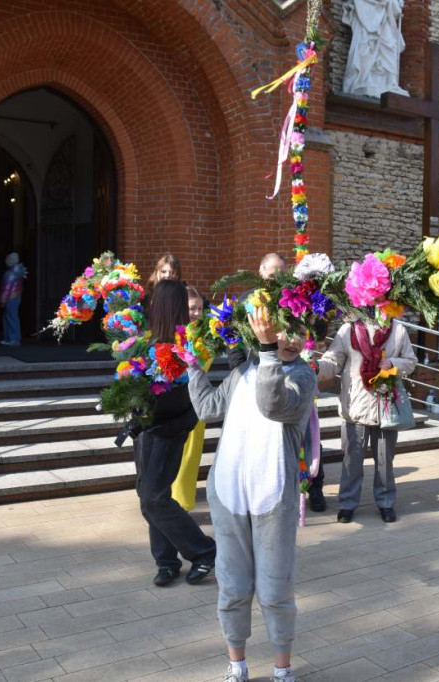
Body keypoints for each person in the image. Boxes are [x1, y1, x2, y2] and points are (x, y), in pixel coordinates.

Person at [188, 306, 317, 682]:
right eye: (283, 331)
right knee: (232, 585)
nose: (290, 341)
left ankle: (282, 669)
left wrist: (265, 353)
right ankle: (237, 664)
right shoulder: (243, 370)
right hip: (229, 493)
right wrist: (193, 367)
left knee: (276, 589)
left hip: (272, 497)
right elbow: (208, 408)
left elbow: (273, 404)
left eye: (298, 333)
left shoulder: (304, 376)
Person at [134, 279, 216, 587]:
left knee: (155, 498)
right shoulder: (151, 342)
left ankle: (204, 551)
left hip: (168, 430)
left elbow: (184, 395)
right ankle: (166, 561)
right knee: (150, 498)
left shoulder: (183, 347)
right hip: (146, 429)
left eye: (156, 301)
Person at [316, 315, 416, 523]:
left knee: (384, 462)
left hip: (385, 406)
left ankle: (386, 503)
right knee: (351, 461)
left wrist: (393, 363)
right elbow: (332, 361)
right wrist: (316, 367)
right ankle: (347, 504)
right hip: (355, 406)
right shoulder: (348, 329)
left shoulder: (397, 330)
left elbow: (410, 362)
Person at [171, 286, 210, 511]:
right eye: (191, 308)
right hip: (176, 399)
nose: (196, 313)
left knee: (191, 453)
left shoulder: (205, 335)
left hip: (196, 400)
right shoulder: (171, 333)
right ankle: (172, 500)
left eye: (200, 309)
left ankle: (183, 502)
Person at [0, 252, 27, 346]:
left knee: (10, 317)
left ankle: (13, 339)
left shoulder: (10, 274)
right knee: (11, 317)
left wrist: (2, 301)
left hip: (10, 298)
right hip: (16, 297)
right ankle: (11, 338)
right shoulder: (18, 272)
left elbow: (6, 289)